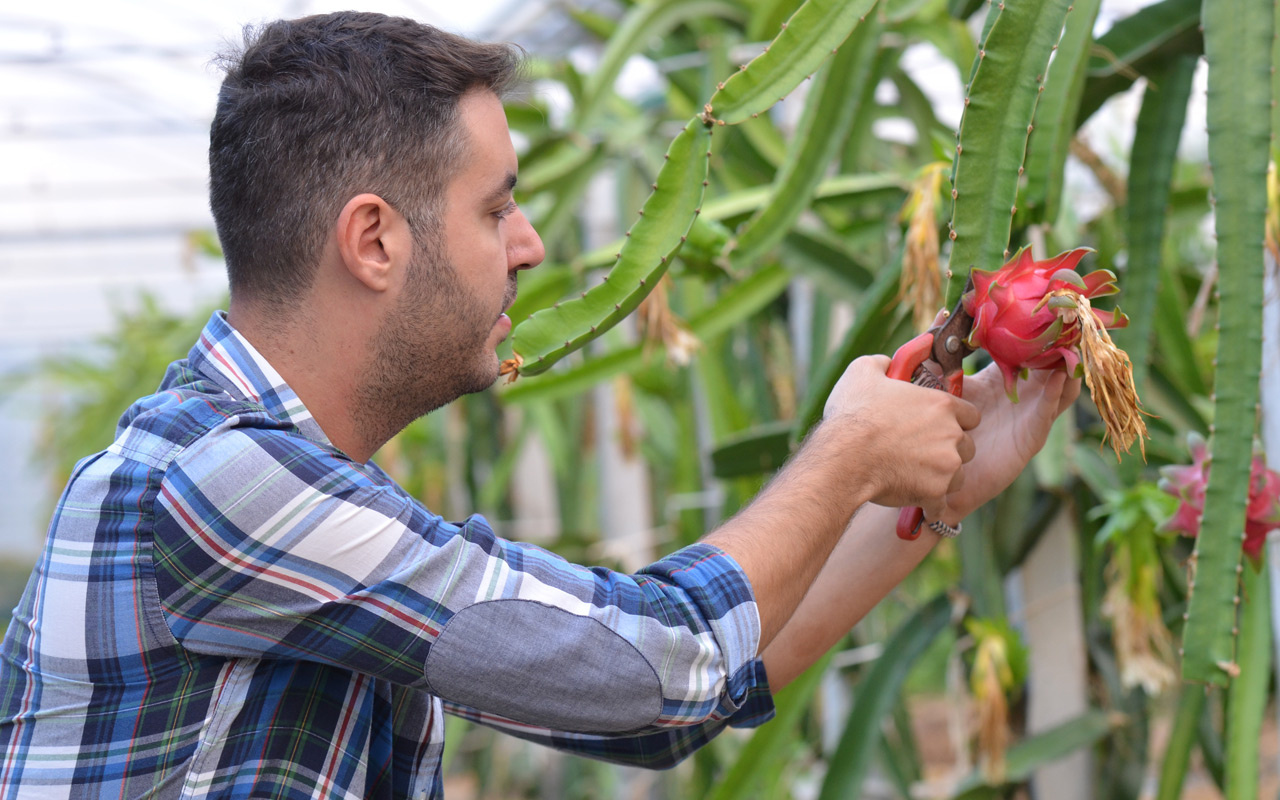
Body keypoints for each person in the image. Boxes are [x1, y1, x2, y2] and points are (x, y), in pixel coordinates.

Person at [0, 11, 1079, 799]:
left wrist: (934, 493)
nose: (532, 246)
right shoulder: (217, 481)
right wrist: (843, 454)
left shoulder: (300, 495)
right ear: (373, 240)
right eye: (497, 207)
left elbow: (672, 706)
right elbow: (646, 662)